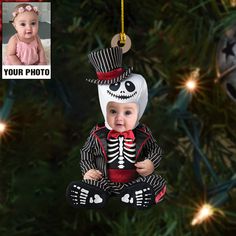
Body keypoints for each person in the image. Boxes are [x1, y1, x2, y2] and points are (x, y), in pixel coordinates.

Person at [66, 47, 166, 209]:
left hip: (135, 181)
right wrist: (88, 170)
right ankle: (94, 194)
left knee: (156, 181)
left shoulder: (143, 133)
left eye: (128, 112)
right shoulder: (98, 133)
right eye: (113, 111)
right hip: (104, 179)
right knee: (95, 182)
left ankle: (137, 195)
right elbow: (86, 152)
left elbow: (155, 150)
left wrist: (151, 163)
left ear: (139, 111)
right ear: (104, 108)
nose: (120, 118)